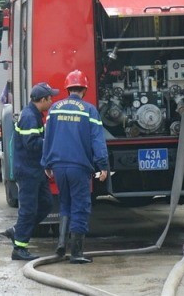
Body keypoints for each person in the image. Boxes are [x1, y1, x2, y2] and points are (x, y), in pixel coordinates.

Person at [42, 70, 108, 265]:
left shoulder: (54, 109)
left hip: (59, 166)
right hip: (79, 167)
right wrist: (103, 165)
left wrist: (46, 162)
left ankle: (61, 245)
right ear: (85, 89)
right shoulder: (89, 110)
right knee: (81, 206)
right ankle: (77, 253)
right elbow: (97, 140)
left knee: (65, 203)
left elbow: (48, 138)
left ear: (67, 88)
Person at [5, 82, 59, 261]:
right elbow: (31, 144)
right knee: (28, 210)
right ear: (42, 100)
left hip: (36, 170)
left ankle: (17, 231)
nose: (52, 101)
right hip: (28, 172)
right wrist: (52, 142)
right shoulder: (30, 117)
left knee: (45, 204)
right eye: (50, 98)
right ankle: (19, 248)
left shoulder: (35, 114)